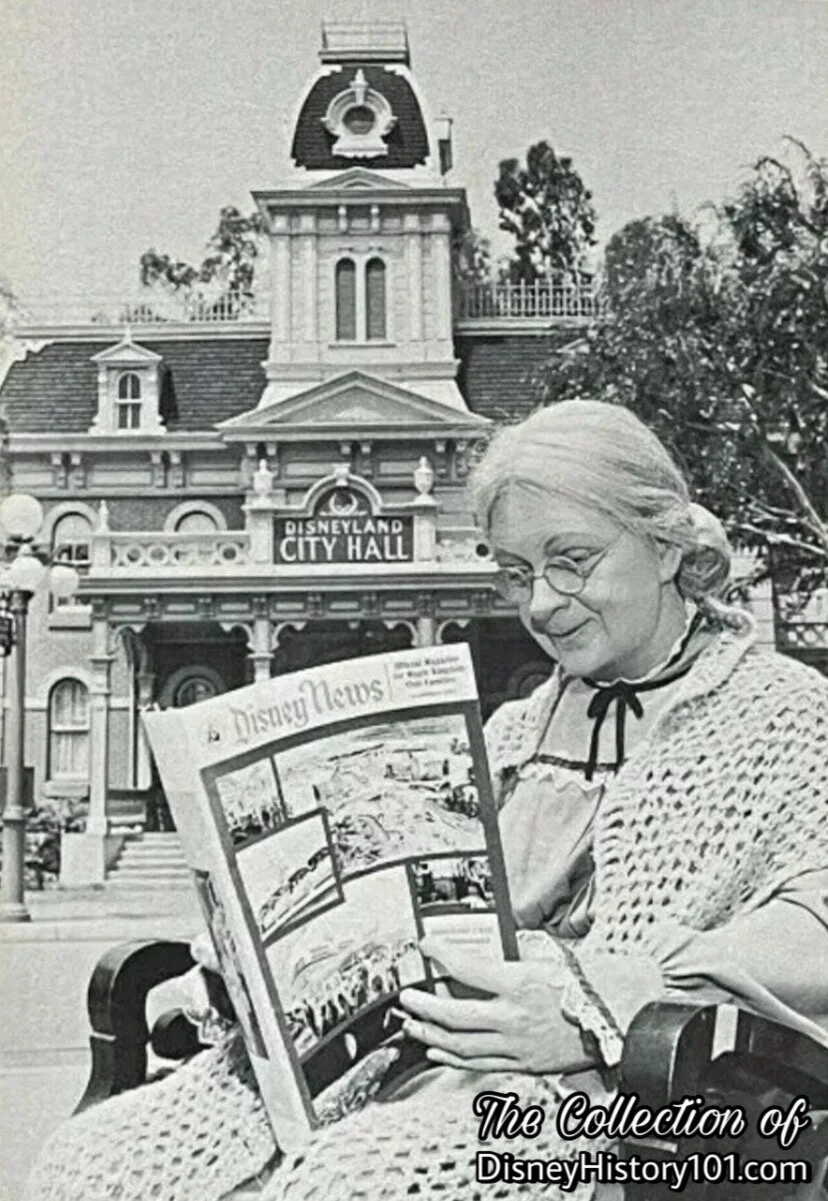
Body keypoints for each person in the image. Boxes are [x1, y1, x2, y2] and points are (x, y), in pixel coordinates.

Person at [27, 400, 828, 1201]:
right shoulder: (514, 728)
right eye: (516, 573)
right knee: (95, 1163)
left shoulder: (783, 713)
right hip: (414, 1060)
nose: (542, 602)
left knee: (353, 1183)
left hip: (637, 1107)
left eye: (571, 560)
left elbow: (811, 936)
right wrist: (262, 959)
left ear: (664, 545)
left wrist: (598, 1010)